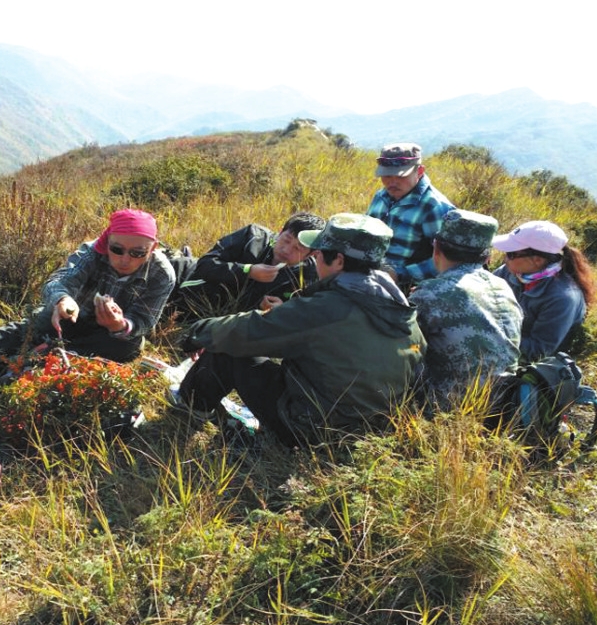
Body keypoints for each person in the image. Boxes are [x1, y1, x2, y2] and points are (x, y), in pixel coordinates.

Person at [177, 213, 426, 447]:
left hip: (311, 429)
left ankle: (191, 407)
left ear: (339, 261)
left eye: (319, 254)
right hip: (371, 433)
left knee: (228, 346)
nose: (315, 260)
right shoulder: (399, 307)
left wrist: (196, 334)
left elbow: (246, 331)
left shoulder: (327, 308)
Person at [0, 208, 176, 363]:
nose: (125, 259)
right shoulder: (92, 252)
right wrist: (63, 300)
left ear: (153, 248)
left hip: (110, 336)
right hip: (71, 318)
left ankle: (45, 357)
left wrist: (120, 325)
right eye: (117, 249)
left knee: (128, 346)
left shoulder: (162, 274)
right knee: (35, 325)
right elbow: (59, 281)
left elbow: (144, 320)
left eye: (138, 253)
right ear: (108, 242)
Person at [409, 210, 523, 408]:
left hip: (444, 406)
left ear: (436, 249)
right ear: (487, 257)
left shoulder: (430, 293)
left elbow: (405, 347)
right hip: (504, 403)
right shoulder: (503, 286)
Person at [170, 211, 326, 319]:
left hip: (224, 325)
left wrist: (282, 309)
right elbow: (205, 265)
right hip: (182, 287)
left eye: (298, 248)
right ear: (280, 232)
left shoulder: (309, 276)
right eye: (286, 240)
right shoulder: (253, 237)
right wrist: (247, 271)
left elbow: (303, 316)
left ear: (311, 254)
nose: (286, 250)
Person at [491, 220, 597, 361]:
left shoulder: (562, 298)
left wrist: (490, 335)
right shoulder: (510, 271)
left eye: (511, 254)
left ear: (537, 260)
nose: (505, 257)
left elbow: (538, 351)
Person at [366, 142, 455, 289]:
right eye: (386, 175)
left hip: (405, 288)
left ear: (419, 171)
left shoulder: (434, 207)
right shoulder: (381, 196)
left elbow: (448, 260)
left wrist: (400, 275)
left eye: (401, 175)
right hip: (369, 275)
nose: (392, 181)